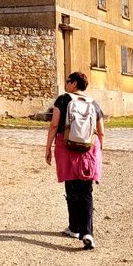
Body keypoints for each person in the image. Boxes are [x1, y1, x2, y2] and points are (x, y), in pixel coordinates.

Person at [45, 71, 105, 249]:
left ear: (74, 84)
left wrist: (48, 147)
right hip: (88, 148)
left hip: (67, 145)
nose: (66, 83)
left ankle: (74, 227)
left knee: (71, 187)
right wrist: (99, 152)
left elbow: (55, 124)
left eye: (68, 81)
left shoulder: (63, 100)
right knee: (86, 190)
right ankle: (87, 232)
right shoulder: (93, 104)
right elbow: (100, 132)